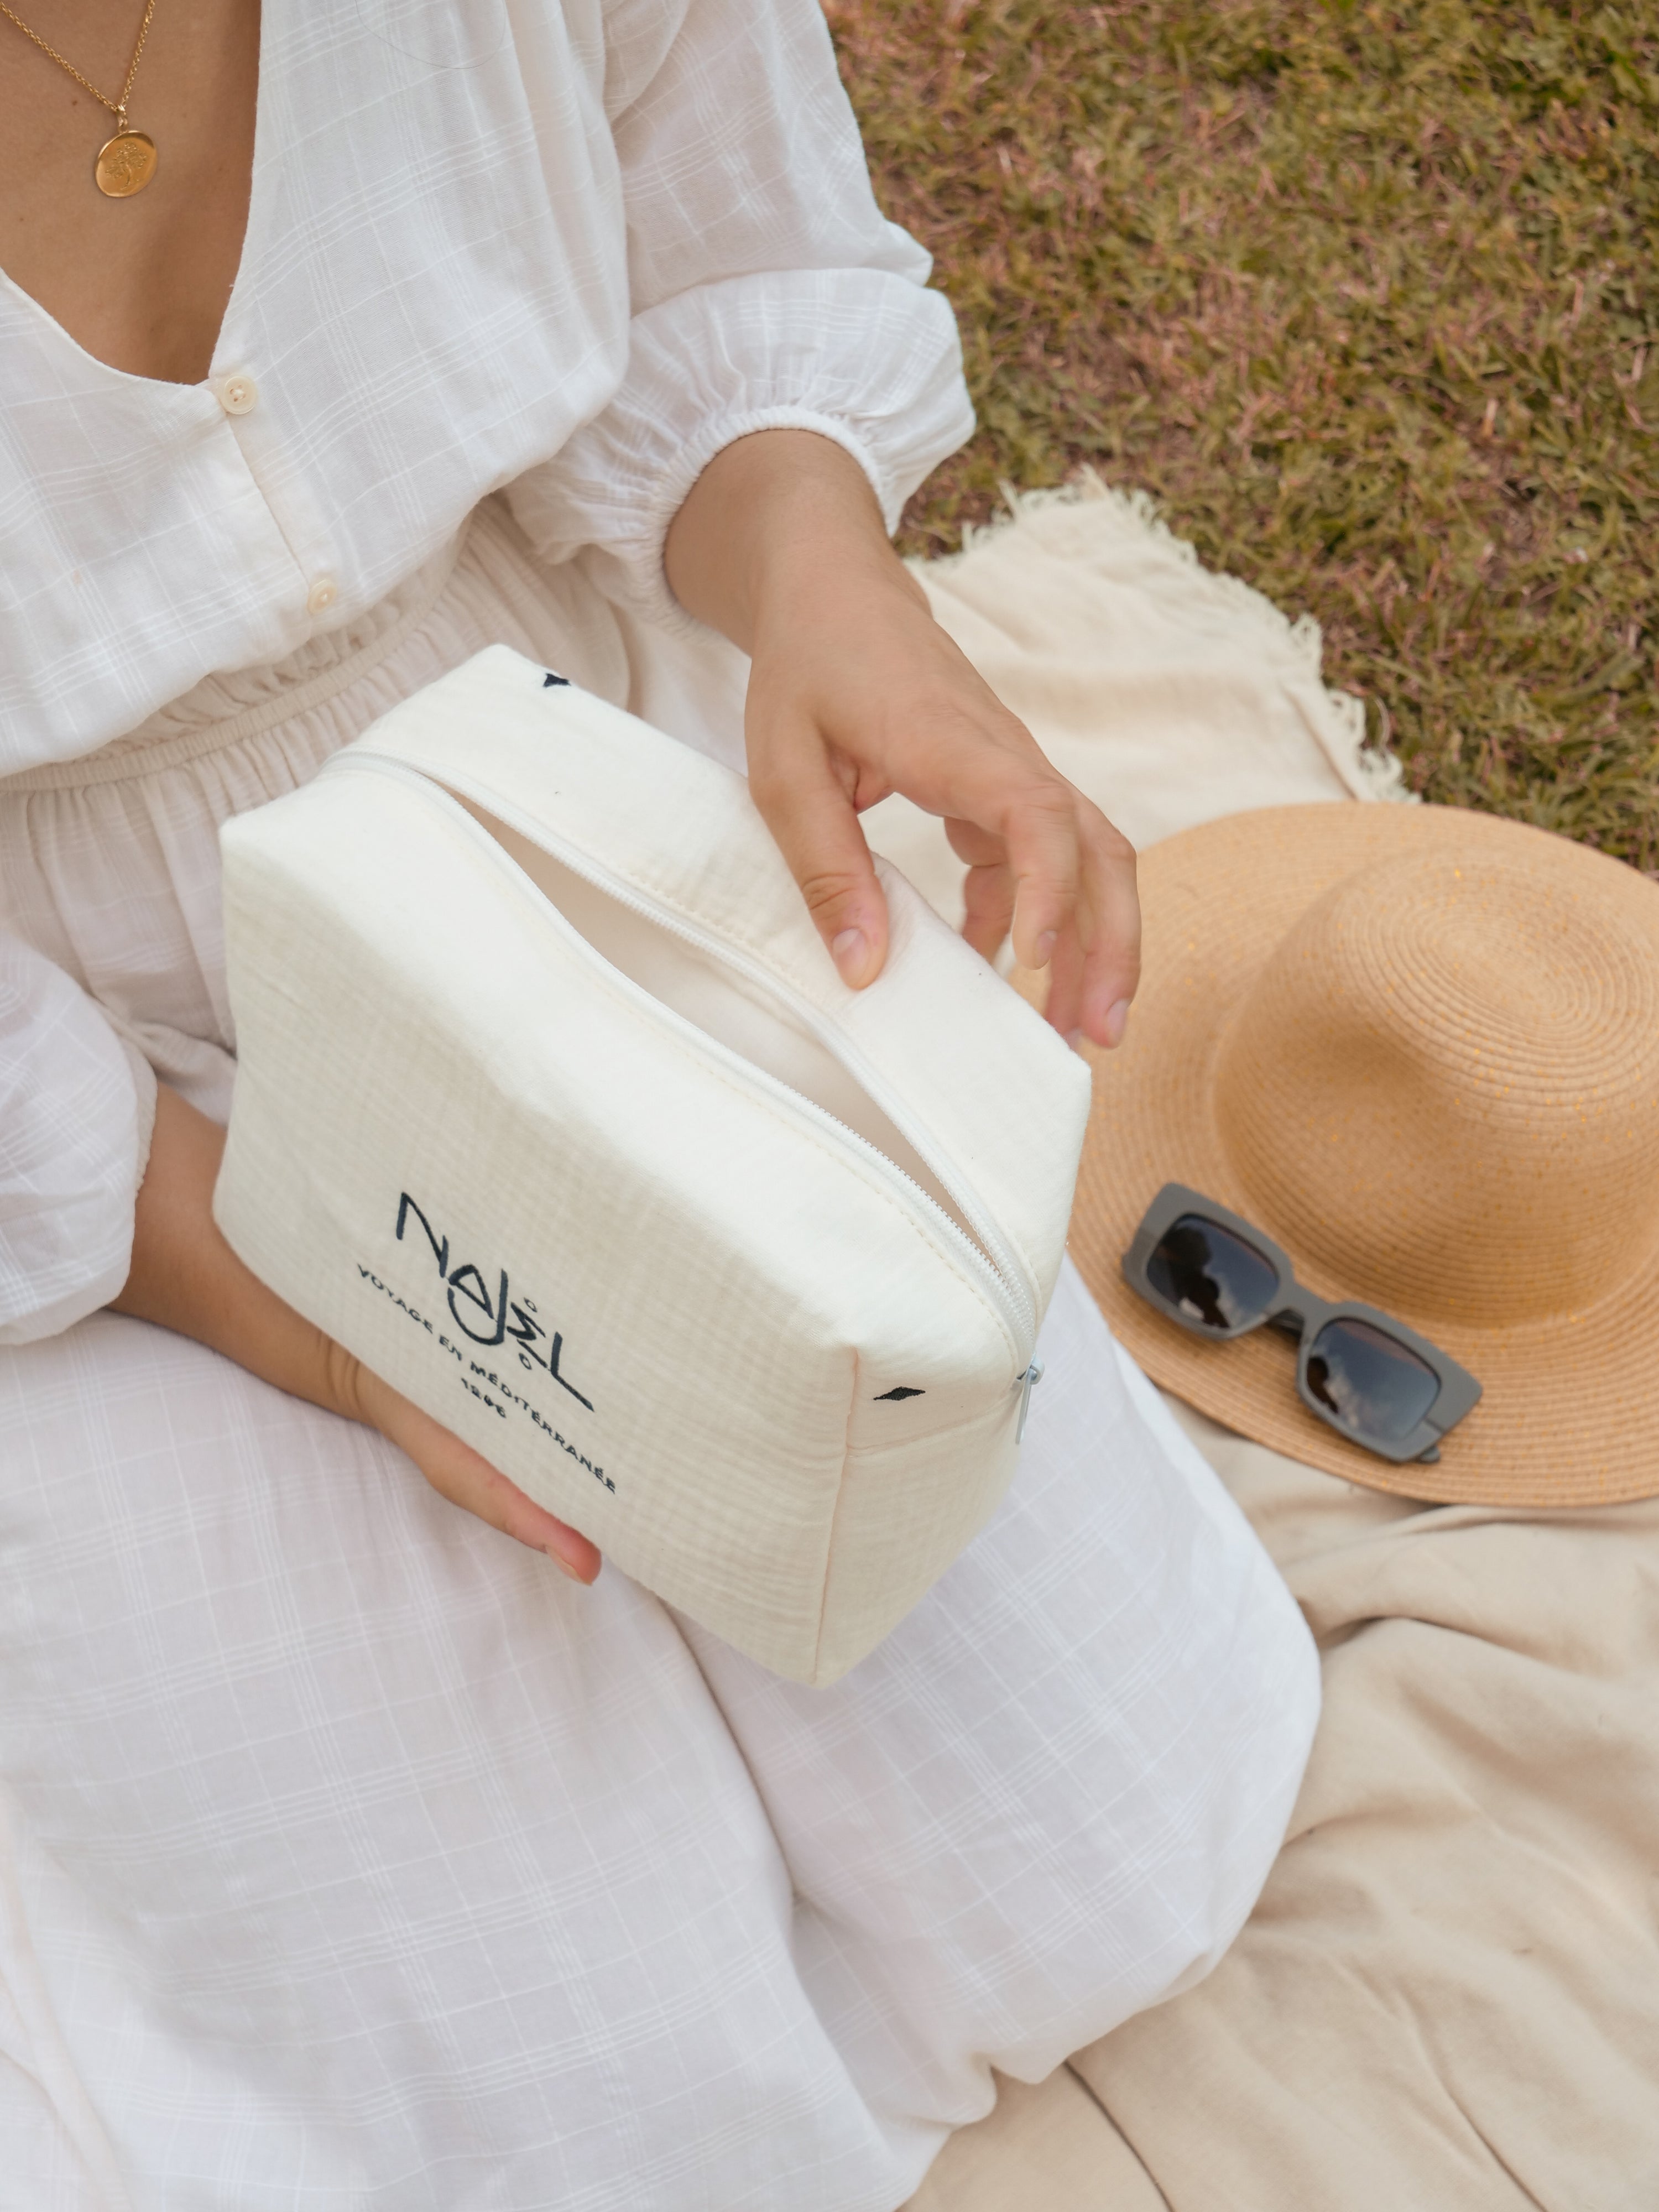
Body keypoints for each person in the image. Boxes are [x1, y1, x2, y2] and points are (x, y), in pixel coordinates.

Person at [0, 3, 1319, 2203]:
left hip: (563, 830)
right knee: (591, 2118)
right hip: (88, 1135)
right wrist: (316, 1309)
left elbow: (712, 230)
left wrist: (826, 583)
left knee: (1116, 1849)